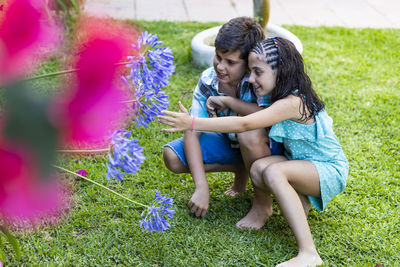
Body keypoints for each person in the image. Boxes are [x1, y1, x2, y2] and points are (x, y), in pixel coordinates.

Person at [159, 37, 349, 267]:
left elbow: (245, 124)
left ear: (281, 71)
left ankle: (309, 253)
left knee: (274, 173)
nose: (251, 78)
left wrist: (193, 122)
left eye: (258, 72)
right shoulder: (282, 96)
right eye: (250, 71)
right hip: (302, 163)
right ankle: (300, 202)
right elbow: (256, 113)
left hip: (326, 168)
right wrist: (229, 100)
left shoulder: (292, 102)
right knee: (259, 169)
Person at [162, 17, 280, 226]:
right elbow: (192, 129)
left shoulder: (260, 80)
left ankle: (263, 205)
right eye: (218, 57)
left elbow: (268, 114)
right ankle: (240, 169)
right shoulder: (208, 80)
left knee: (248, 132)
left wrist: (230, 102)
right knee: (172, 156)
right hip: (232, 142)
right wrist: (201, 187)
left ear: (250, 62)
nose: (220, 66)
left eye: (231, 62)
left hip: (268, 149)